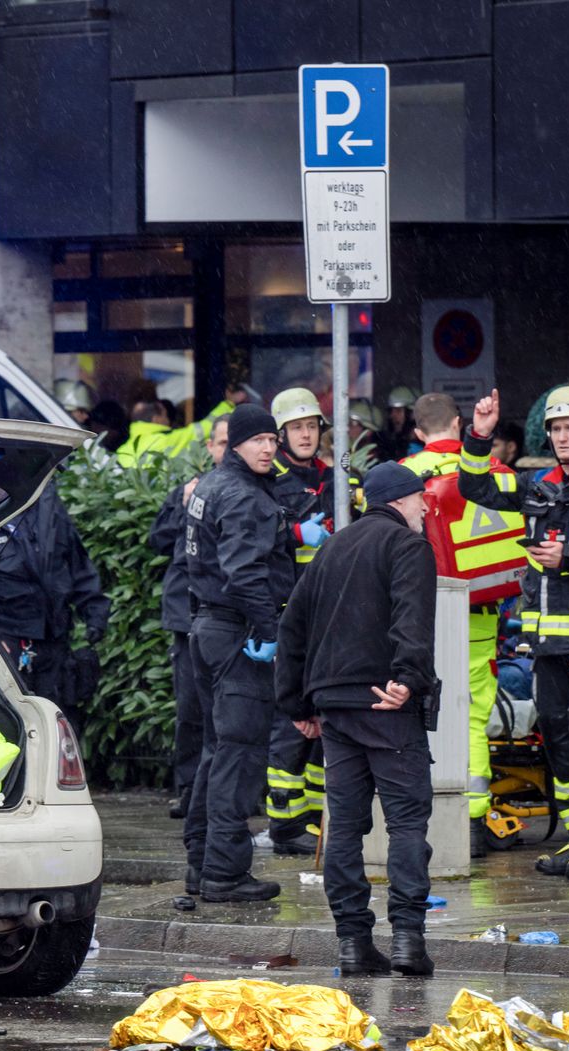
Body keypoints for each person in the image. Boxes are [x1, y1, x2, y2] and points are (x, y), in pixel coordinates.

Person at [276, 460, 439, 976]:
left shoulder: (331, 549)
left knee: (344, 823)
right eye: (419, 498)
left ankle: (353, 941)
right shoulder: (408, 547)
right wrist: (409, 678)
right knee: (407, 821)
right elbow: (413, 617)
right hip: (386, 704)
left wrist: (298, 705)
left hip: (335, 710)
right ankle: (409, 940)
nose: (425, 507)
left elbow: (292, 628)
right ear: (399, 500)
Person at [460, 386, 569, 877]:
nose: (561, 436)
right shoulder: (539, 485)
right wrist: (479, 437)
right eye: (555, 429)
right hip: (548, 643)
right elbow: (477, 488)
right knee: (558, 737)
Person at [401, 393, 526, 858]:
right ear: (458, 422)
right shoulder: (498, 472)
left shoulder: (404, 475)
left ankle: (426, 817)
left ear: (417, 432)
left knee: (420, 711)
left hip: (423, 611)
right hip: (480, 612)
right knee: (473, 711)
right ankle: (473, 819)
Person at [181, 403, 291, 903]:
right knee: (240, 754)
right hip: (238, 635)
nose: (268, 448)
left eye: (272, 439)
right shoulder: (245, 497)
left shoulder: (208, 486)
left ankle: (200, 866)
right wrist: (268, 628)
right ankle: (224, 872)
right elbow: (244, 573)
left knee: (215, 750)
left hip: (206, 629)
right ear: (237, 444)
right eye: (259, 440)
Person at [0, 480, 110, 721]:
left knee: (58, 723)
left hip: (55, 640)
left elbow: (73, 559)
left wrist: (94, 611)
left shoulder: (45, 502)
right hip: (5, 643)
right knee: (14, 722)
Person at [260, 387, 336, 856]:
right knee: (291, 720)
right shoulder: (271, 479)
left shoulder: (333, 478)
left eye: (311, 426)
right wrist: (294, 533)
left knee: (322, 719)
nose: (305, 434)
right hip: (289, 612)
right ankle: (285, 822)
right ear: (281, 434)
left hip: (328, 614)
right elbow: (256, 538)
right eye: (296, 428)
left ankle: (312, 814)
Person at [150, 414, 227, 816]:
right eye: (221, 442)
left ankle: (227, 792)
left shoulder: (248, 492)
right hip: (186, 616)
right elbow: (157, 541)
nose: (226, 449)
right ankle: (189, 790)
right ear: (210, 448)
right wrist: (182, 508)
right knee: (192, 710)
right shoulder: (189, 489)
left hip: (228, 615)